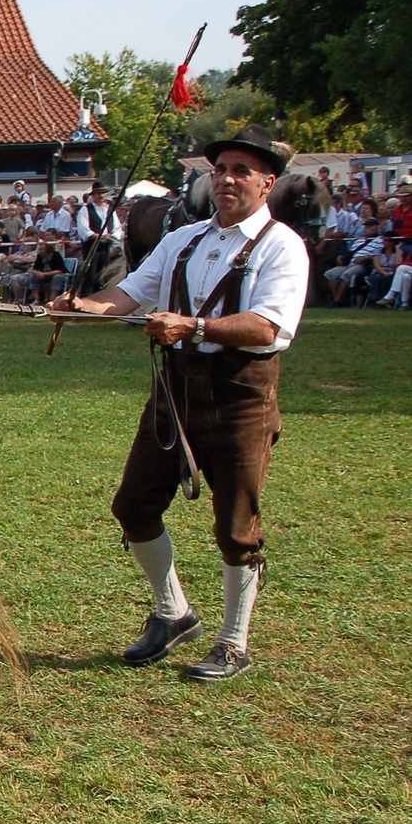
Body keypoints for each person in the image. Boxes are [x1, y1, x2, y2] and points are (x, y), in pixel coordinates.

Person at [49, 124, 309, 683]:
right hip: (174, 391)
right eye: (221, 170)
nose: (228, 180)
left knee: (236, 525)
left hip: (240, 393)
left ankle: (234, 643)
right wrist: (85, 307)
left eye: (242, 171)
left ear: (268, 182)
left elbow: (267, 326)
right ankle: (174, 613)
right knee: (134, 506)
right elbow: (133, 293)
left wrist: (194, 324)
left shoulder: (283, 246)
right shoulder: (183, 239)